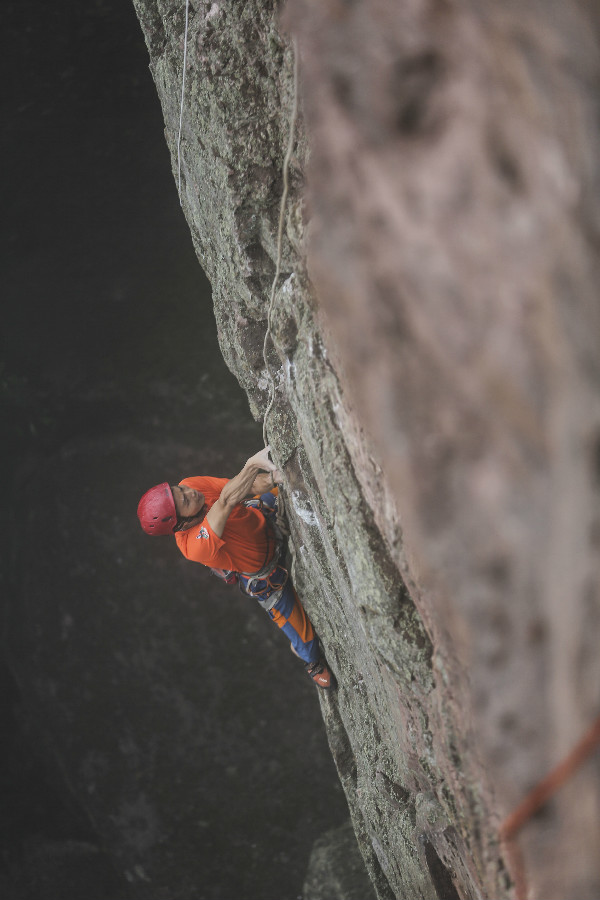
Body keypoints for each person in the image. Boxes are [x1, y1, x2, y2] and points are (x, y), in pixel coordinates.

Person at [137, 448, 333, 688]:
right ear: (182, 524)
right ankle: (307, 657)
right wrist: (251, 465)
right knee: (312, 653)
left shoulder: (191, 485)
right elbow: (227, 501)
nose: (190, 491)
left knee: (287, 481)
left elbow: (244, 488)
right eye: (185, 500)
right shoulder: (192, 546)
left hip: (264, 518)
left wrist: (274, 478)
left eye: (180, 489)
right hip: (267, 575)